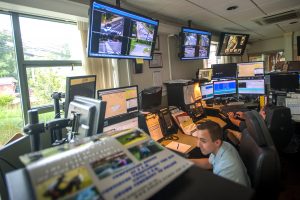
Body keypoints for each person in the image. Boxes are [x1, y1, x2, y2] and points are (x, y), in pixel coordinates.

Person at [190, 121, 250, 187]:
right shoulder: (223, 145)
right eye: (198, 139)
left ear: (217, 142)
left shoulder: (225, 168)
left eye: (203, 141)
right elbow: (210, 163)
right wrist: (186, 161)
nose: (198, 145)